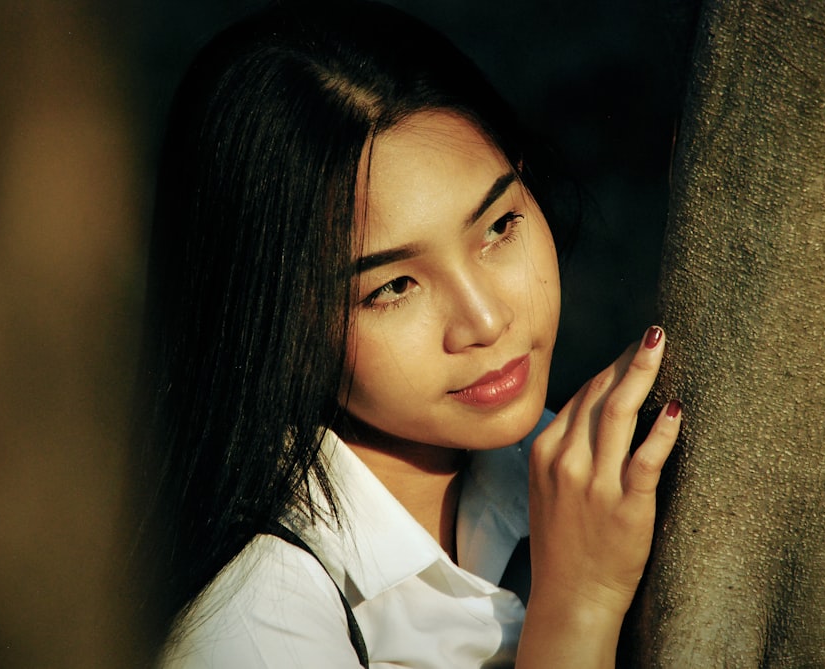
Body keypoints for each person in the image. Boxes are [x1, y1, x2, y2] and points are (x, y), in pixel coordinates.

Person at [139, 1, 681, 666]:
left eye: (499, 226)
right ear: (274, 320)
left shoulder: (569, 478)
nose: (485, 320)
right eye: (393, 286)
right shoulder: (252, 630)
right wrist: (580, 608)